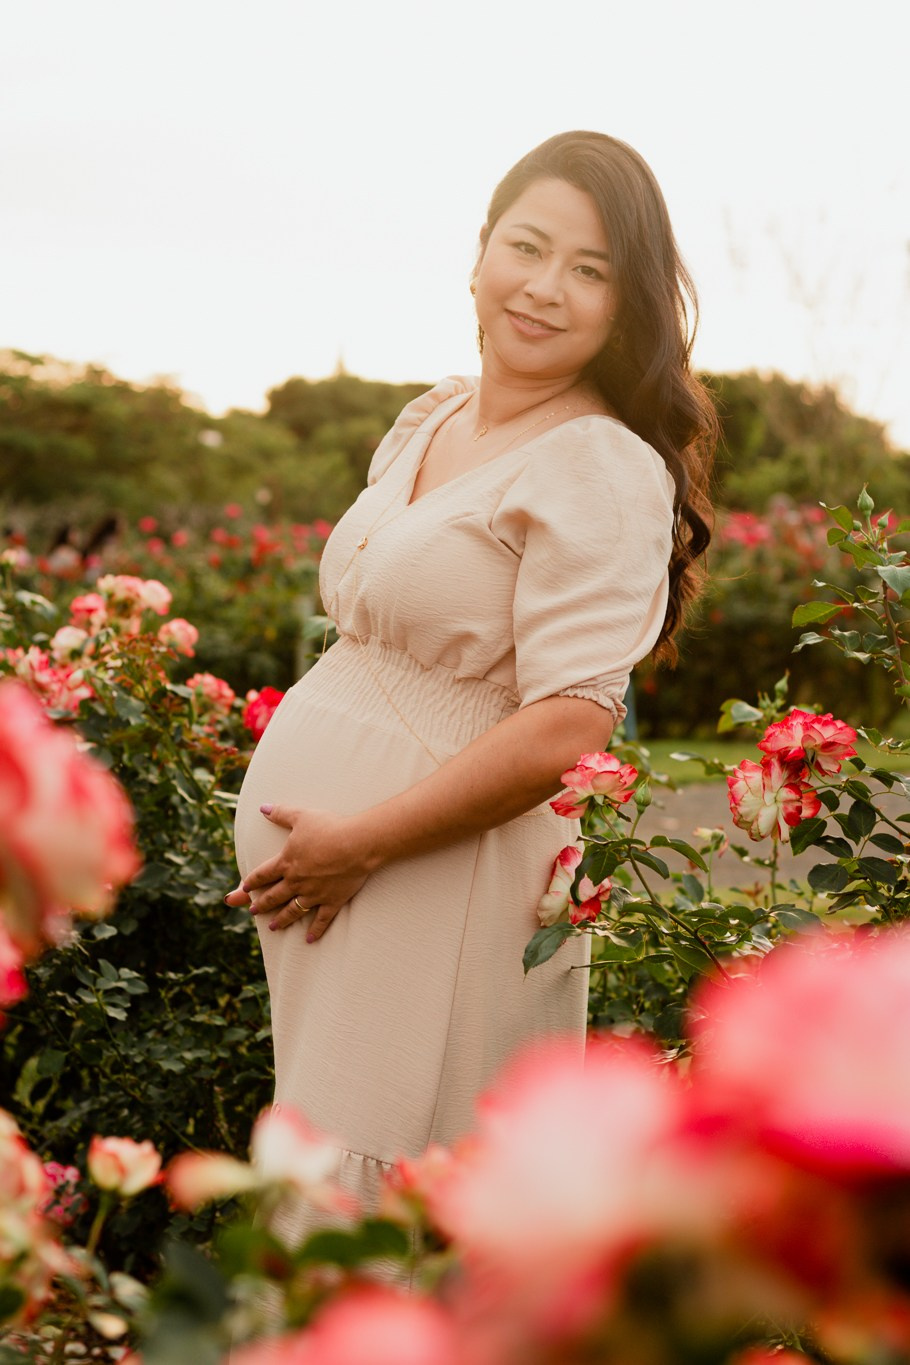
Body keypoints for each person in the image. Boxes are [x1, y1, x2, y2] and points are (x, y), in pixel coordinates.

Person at [227, 130, 716, 1241]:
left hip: (429, 869)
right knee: (328, 1166)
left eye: (590, 271)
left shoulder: (597, 460)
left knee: (386, 1190)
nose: (545, 289)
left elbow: (568, 723)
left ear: (625, 304)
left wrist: (364, 841)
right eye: (527, 247)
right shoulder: (438, 415)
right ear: (479, 253)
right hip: (343, 883)